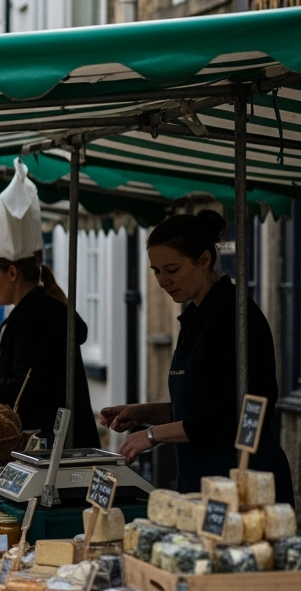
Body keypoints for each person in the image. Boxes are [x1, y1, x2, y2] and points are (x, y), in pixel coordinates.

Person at [103, 211, 294, 502]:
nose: (162, 281)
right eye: (156, 271)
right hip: (201, 478)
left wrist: (153, 435)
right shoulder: (193, 317)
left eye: (172, 269)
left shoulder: (234, 316)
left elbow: (234, 416)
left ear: (204, 260)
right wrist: (142, 413)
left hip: (242, 480)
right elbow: (198, 405)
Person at [0, 248, 99, 449]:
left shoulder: (34, 319)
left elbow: (21, 389)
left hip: (55, 448)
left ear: (12, 273)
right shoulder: (29, 315)